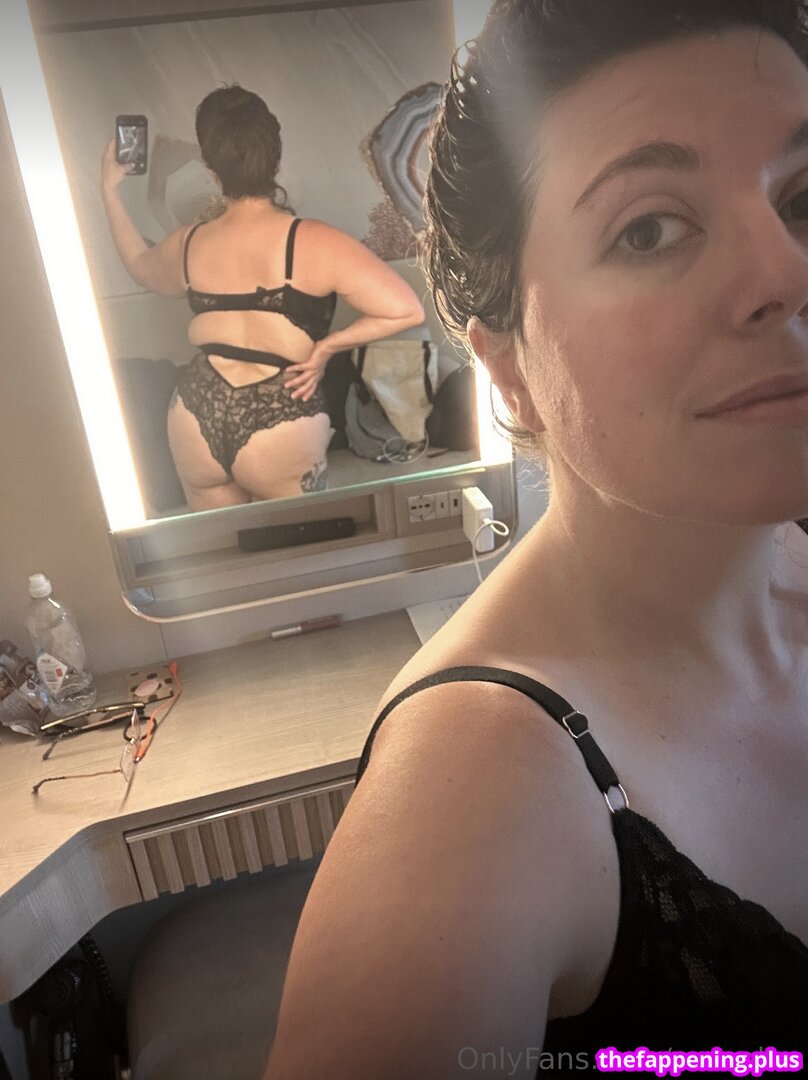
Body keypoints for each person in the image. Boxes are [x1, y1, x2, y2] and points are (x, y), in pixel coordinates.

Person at [264, 1, 808, 1075]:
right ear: (504, 363)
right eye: (648, 229)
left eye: (801, 198)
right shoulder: (474, 794)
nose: (784, 272)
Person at [101, 86, 424, 510]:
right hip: (281, 414)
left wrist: (109, 190)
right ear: (274, 155)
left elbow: (138, 265)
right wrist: (327, 347)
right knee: (300, 547)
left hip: (197, 411)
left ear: (212, 170)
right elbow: (406, 309)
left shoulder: (189, 242)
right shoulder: (316, 242)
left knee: (221, 548)